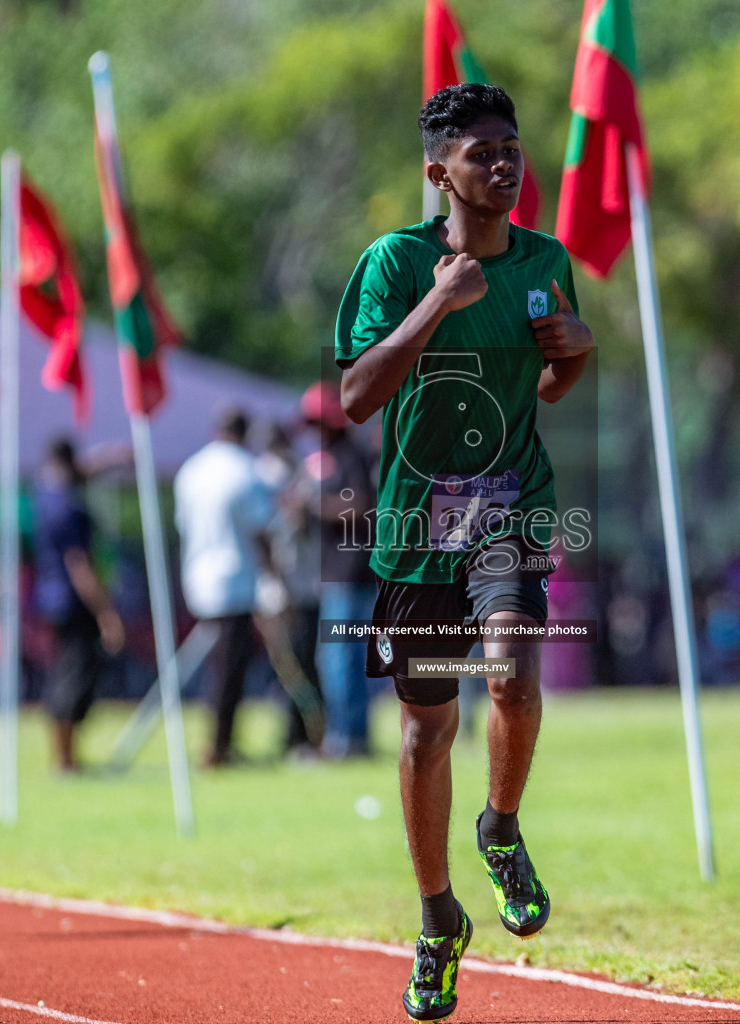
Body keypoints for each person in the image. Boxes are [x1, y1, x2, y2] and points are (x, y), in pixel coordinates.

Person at [336, 83, 595, 1021]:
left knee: (516, 675)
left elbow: (556, 381)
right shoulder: (395, 264)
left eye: (512, 148)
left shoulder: (544, 259)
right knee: (423, 730)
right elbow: (357, 397)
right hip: (415, 530)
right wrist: (438, 304)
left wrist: (577, 349)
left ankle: (501, 825)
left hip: (510, 506)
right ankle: (439, 918)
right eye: (481, 152)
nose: (504, 164)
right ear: (436, 170)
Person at [174, 409, 277, 768]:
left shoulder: (191, 470)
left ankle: (218, 742)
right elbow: (261, 529)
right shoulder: (247, 470)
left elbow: (182, 527)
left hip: (197, 578)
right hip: (236, 580)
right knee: (229, 669)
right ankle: (219, 746)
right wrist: (274, 575)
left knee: (215, 666)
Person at [300, 380, 381, 759]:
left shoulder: (350, 456)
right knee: (340, 660)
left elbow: (361, 507)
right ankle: (350, 737)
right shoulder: (327, 459)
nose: (312, 428)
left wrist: (312, 506)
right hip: (338, 573)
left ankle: (346, 738)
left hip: (352, 574)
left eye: (317, 420)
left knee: (340, 660)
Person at [33, 437, 124, 773]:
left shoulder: (44, 494)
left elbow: (79, 472)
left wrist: (111, 458)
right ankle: (65, 759)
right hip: (75, 603)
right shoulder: (69, 508)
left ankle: (66, 756)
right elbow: (80, 566)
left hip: (52, 601)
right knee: (74, 678)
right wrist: (106, 613)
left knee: (66, 674)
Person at [255, 422, 326, 757]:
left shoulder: (298, 477)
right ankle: (298, 735)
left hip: (298, 587)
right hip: (283, 589)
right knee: (291, 665)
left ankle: (305, 735)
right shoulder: (265, 479)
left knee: (298, 664)